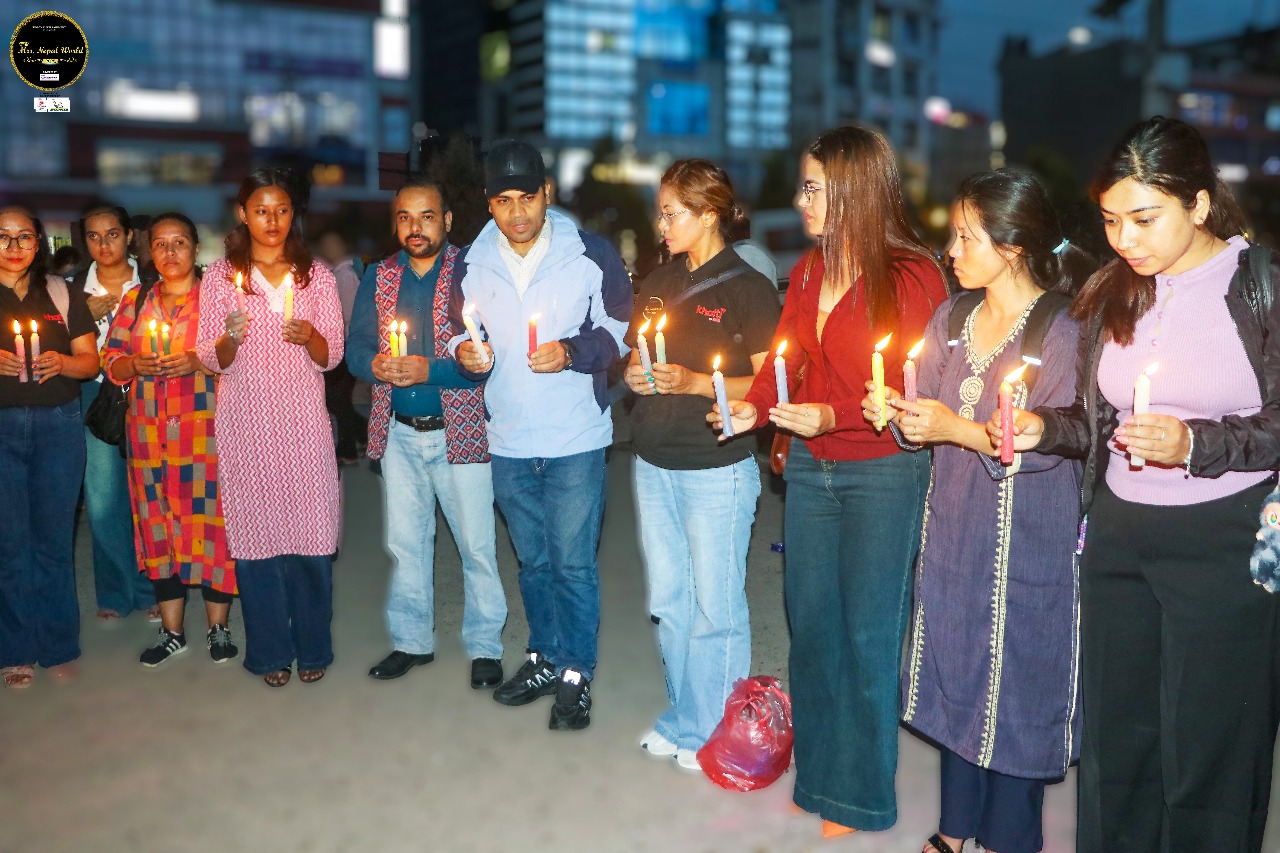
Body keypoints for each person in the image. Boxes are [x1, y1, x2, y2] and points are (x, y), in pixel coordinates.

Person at [990, 117, 1280, 853]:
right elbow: (1099, 421)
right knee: (1119, 740)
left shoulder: (1260, 288)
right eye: (1112, 220)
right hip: (1120, 536)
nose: (1125, 239)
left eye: (1145, 219)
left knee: (1210, 744)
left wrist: (1197, 442)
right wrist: (1042, 428)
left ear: (1202, 204)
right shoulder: (1115, 290)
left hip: (1225, 539)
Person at [711, 126, 947, 835]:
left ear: (853, 189)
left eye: (812, 187)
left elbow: (915, 385)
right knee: (811, 624)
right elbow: (786, 356)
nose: (799, 199)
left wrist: (832, 411)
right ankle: (817, 775)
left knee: (867, 633)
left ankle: (860, 794)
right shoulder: (811, 270)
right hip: (812, 467)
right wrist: (752, 405)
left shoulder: (911, 274)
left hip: (883, 470)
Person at [863, 169, 1092, 853]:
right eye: (953, 235)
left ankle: (1008, 837)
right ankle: (955, 826)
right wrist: (899, 413)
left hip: (1027, 542)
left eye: (967, 237)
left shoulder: (1060, 330)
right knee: (959, 671)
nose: (951, 250)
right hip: (957, 531)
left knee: (1017, 683)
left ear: (1015, 245)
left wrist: (953, 427)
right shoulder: (953, 317)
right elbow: (923, 413)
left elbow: (1052, 438)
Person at [453, 139, 630, 731]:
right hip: (506, 438)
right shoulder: (472, 261)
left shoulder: (589, 252)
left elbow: (622, 332)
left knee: (573, 564)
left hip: (575, 437)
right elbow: (458, 329)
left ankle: (576, 673)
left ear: (546, 193)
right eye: (503, 201)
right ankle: (544, 657)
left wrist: (575, 351)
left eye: (526, 197)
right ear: (489, 204)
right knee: (532, 562)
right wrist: (466, 353)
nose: (517, 212)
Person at [622, 159, 779, 771]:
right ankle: (687, 716)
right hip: (654, 461)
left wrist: (693, 383)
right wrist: (636, 374)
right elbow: (639, 359)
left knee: (716, 605)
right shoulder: (658, 279)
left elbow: (768, 385)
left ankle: (715, 729)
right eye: (659, 211)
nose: (661, 223)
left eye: (673, 212)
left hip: (716, 466)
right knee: (669, 599)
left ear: (709, 214)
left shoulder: (747, 287)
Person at [348, 177, 507, 689]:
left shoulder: (472, 271)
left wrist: (429, 371)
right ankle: (411, 642)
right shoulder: (380, 274)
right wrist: (376, 365)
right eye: (405, 218)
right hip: (398, 433)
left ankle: (485, 646)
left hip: (459, 431)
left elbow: (486, 357)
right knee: (406, 544)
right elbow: (356, 348)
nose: (415, 228)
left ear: (448, 220)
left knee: (476, 545)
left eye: (427, 216)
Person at [195, 168, 344, 688]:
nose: (273, 220)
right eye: (262, 210)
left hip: (302, 427)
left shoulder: (316, 276)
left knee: (310, 539)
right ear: (243, 214)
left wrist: (310, 337)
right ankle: (269, 652)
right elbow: (208, 358)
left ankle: (313, 647)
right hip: (246, 427)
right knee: (257, 545)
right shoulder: (220, 278)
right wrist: (230, 339)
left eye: (282, 209)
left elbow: (333, 357)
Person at [101, 212, 238, 667]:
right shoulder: (136, 299)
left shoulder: (216, 297)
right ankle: (172, 631)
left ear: (196, 248)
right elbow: (112, 360)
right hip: (149, 435)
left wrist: (198, 361)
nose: (170, 253)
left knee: (214, 526)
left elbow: (234, 355)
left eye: (179, 243)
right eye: (160, 244)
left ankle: (219, 627)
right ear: (148, 250)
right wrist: (135, 366)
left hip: (207, 433)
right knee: (157, 527)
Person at [0, 206, 100, 688]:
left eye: (24, 237)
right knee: (10, 542)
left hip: (58, 425)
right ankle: (16, 647)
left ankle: (59, 642)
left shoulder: (61, 293)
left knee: (55, 541)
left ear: (39, 243)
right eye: (3, 237)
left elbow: (90, 361)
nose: (14, 247)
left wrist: (62, 361)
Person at [73, 203, 157, 626]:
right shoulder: (70, 291)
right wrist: (78, 321)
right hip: (94, 395)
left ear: (129, 236)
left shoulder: (155, 282)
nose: (103, 244)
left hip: (148, 392)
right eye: (93, 236)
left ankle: (151, 588)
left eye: (111, 234)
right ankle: (115, 590)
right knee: (104, 497)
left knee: (149, 491)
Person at [316, 228, 366, 464]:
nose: (328, 249)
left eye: (332, 244)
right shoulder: (340, 272)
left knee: (337, 400)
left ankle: (349, 448)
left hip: (344, 346)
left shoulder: (344, 275)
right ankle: (362, 437)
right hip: (344, 345)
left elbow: (347, 315)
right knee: (338, 400)